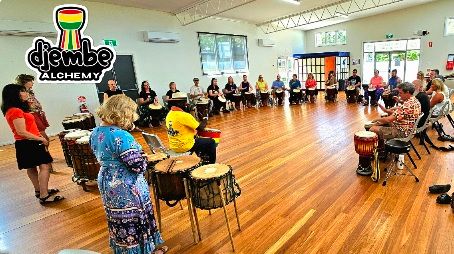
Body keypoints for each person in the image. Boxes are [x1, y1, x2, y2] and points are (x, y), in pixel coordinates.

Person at [89, 95, 167, 254]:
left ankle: (126, 250)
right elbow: (137, 166)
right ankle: (144, 251)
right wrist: (144, 157)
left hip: (106, 179)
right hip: (125, 185)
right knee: (134, 217)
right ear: (122, 113)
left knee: (118, 219)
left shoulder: (96, 131)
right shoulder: (121, 135)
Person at [2, 84, 63, 204]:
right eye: (23, 91)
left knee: (31, 167)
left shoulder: (13, 109)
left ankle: (39, 190)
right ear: (15, 94)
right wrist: (41, 139)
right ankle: (44, 195)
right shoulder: (15, 111)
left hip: (26, 143)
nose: (26, 93)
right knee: (44, 166)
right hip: (29, 142)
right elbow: (21, 132)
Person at [16, 74, 54, 172]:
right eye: (31, 81)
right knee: (43, 138)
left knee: (44, 137)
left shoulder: (30, 92)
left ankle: (46, 157)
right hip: (32, 116)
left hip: (37, 114)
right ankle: (47, 160)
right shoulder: (20, 93)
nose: (33, 83)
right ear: (25, 82)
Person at [370, 82, 421, 154]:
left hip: (402, 132)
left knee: (373, 128)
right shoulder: (415, 101)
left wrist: (375, 119)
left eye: (401, 93)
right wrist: (386, 113)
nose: (399, 95)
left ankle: (381, 150)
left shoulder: (407, 105)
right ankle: (382, 148)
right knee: (381, 122)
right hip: (409, 129)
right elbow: (399, 114)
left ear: (408, 92)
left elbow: (388, 119)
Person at [166, 99, 217, 164]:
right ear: (179, 104)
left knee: (198, 139)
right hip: (184, 146)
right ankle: (211, 164)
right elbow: (201, 128)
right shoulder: (184, 115)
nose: (186, 104)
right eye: (184, 102)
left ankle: (201, 160)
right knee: (211, 142)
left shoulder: (169, 114)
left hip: (174, 146)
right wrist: (205, 118)